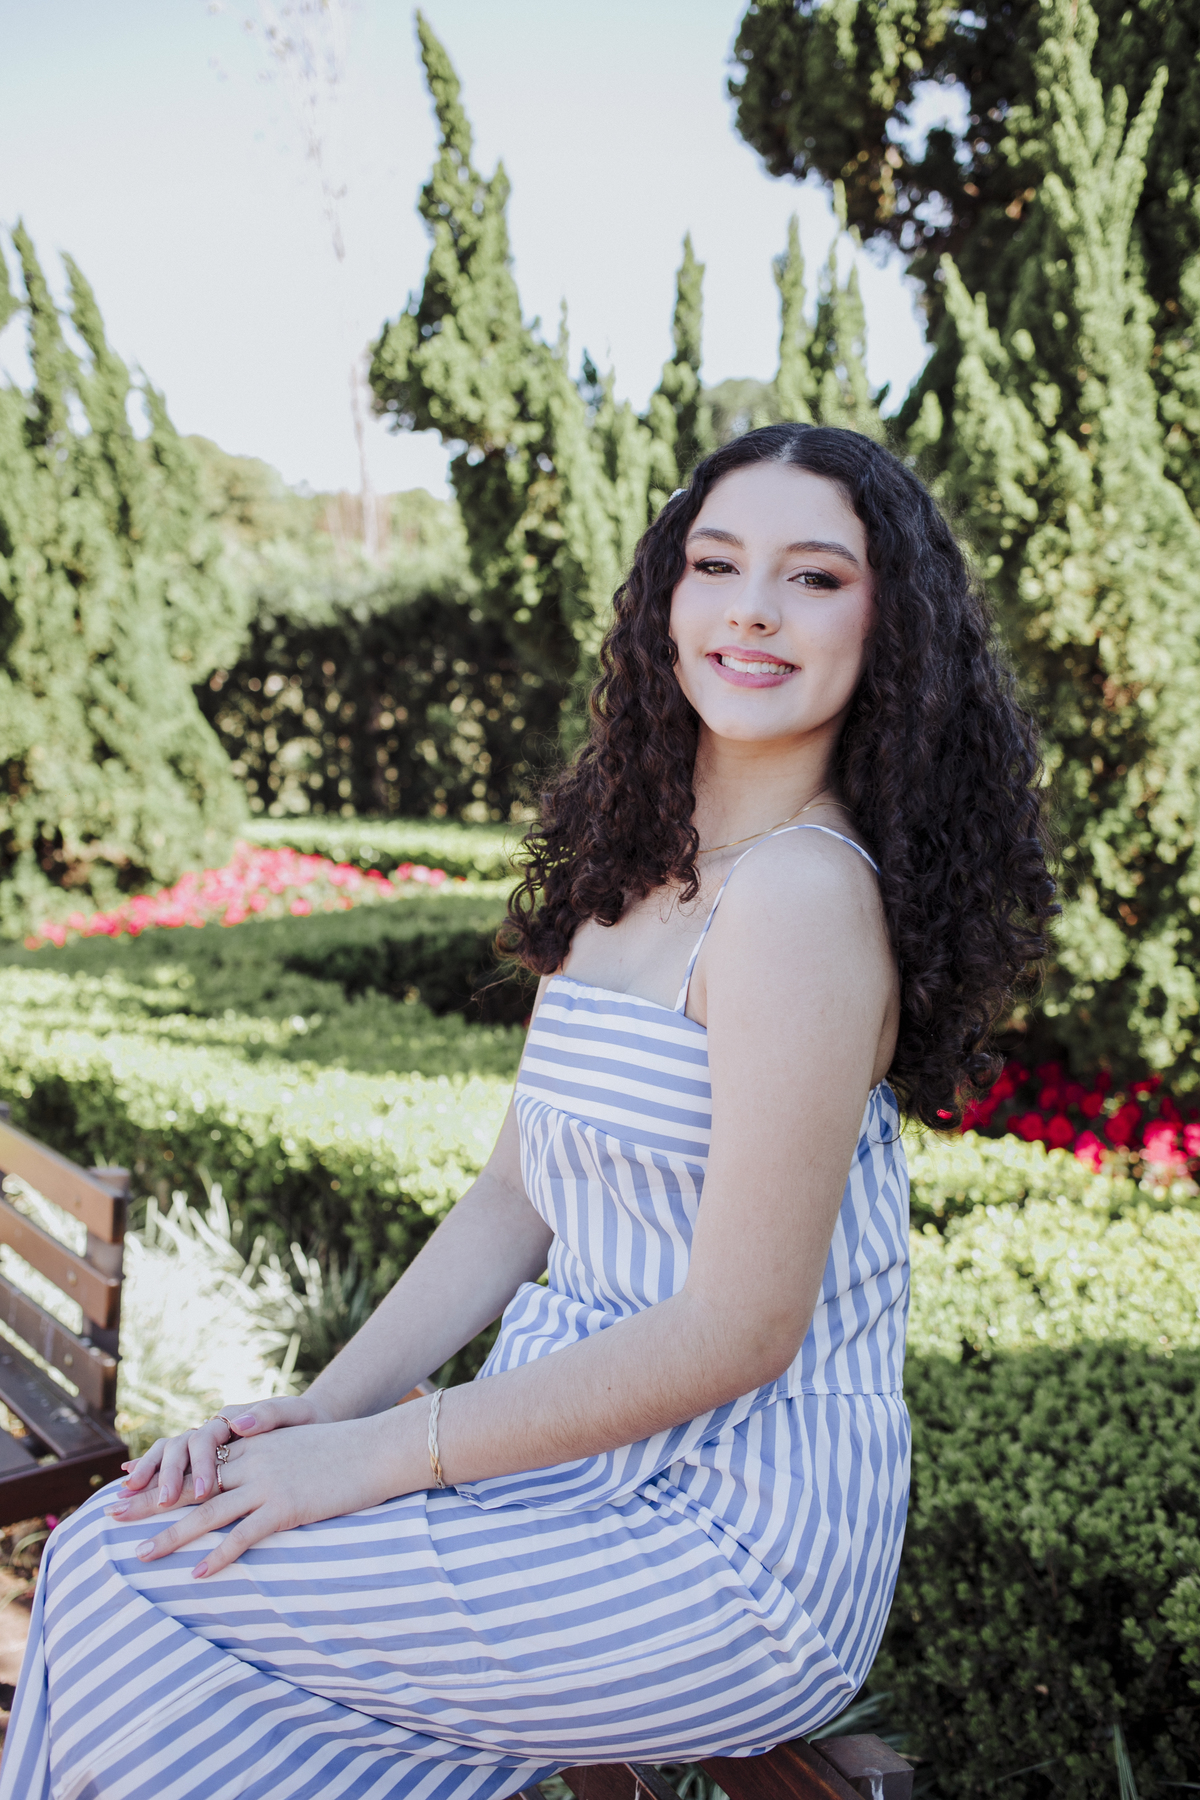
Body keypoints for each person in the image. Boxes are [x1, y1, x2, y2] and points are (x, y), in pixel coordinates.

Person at [0, 424, 1054, 1800]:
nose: (751, 608)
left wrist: (377, 1458)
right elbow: (513, 1200)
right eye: (716, 564)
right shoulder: (634, 865)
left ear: (889, 624)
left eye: (814, 577)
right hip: (568, 1468)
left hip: (724, 1544)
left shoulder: (802, 897)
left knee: (130, 1571)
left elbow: (740, 1330)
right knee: (132, 1560)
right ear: (666, 599)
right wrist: (315, 1417)